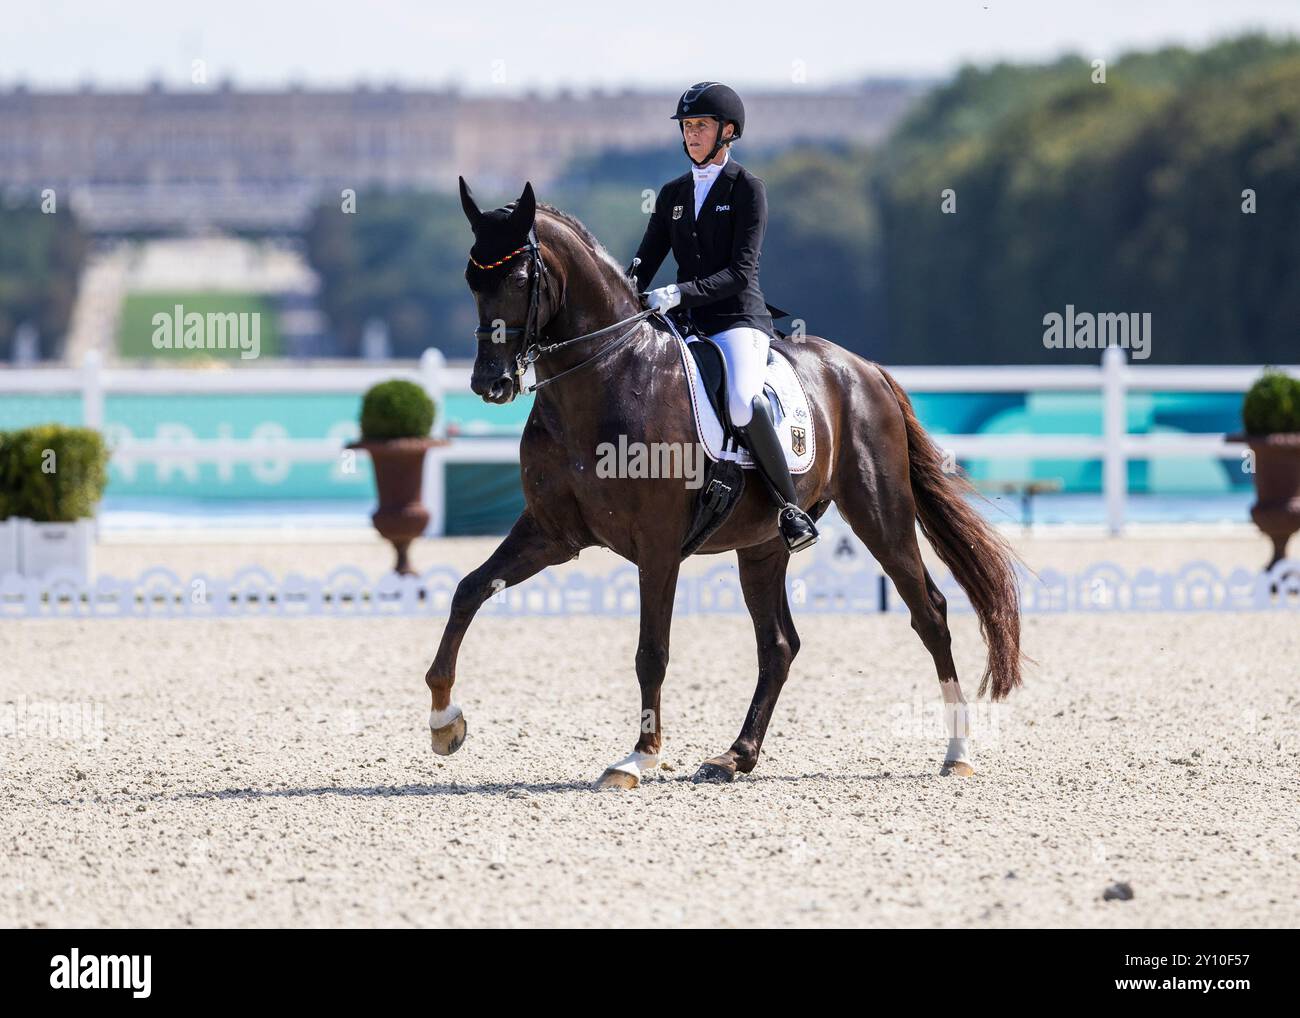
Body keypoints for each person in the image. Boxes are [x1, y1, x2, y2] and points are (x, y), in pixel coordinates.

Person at [631, 81, 818, 552]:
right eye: (688, 127)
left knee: (740, 400)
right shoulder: (672, 193)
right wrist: (621, 295)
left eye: (701, 126)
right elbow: (642, 264)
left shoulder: (747, 189)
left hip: (737, 321)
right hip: (687, 326)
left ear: (727, 132)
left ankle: (790, 508)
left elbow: (740, 272)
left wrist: (677, 293)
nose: (692, 135)